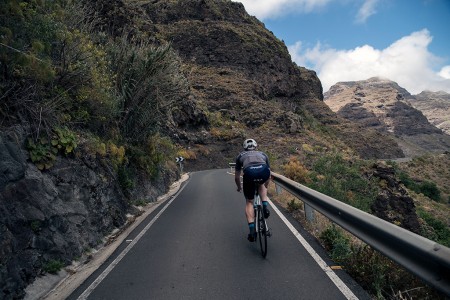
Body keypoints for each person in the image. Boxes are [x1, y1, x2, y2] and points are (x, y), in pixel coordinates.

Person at [234, 138, 271, 242]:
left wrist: (239, 187)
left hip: (249, 173)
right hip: (263, 171)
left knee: (249, 202)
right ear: (256, 146)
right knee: (262, 185)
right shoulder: (263, 154)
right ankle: (265, 206)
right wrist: (266, 185)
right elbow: (269, 174)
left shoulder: (240, 156)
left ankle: (252, 232)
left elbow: (237, 177)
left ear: (244, 147)